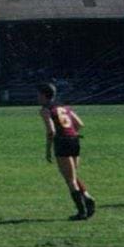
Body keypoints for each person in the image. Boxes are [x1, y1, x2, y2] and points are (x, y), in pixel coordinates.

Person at [37, 83, 95, 220]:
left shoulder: (45, 110)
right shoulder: (64, 107)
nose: (37, 97)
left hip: (62, 142)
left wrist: (48, 149)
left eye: (38, 94)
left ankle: (82, 212)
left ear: (44, 95)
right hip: (74, 140)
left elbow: (51, 131)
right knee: (72, 175)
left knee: (70, 180)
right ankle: (87, 198)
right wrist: (70, 134)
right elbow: (80, 124)